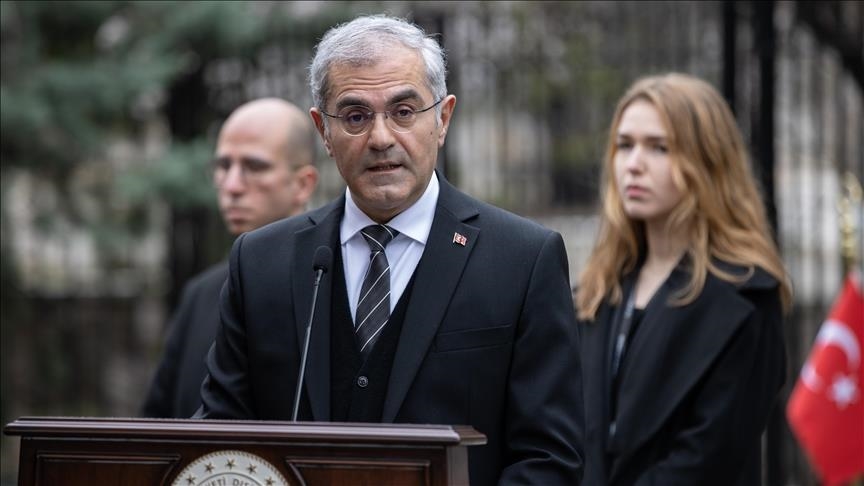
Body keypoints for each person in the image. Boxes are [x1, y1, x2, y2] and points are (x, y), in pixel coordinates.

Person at [195, 14, 584, 485]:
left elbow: (548, 460)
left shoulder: (522, 259)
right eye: (355, 116)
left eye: (403, 111)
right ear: (323, 131)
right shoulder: (261, 262)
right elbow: (220, 440)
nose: (380, 138)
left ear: (442, 119)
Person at [574, 73, 792, 485]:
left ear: (706, 161)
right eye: (625, 145)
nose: (634, 164)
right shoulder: (599, 288)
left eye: (660, 147)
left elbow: (709, 456)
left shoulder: (747, 298)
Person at [141, 98, 319, 418]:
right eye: (223, 166)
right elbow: (157, 425)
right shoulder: (200, 294)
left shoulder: (329, 285)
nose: (232, 185)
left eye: (255, 166)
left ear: (303, 184)